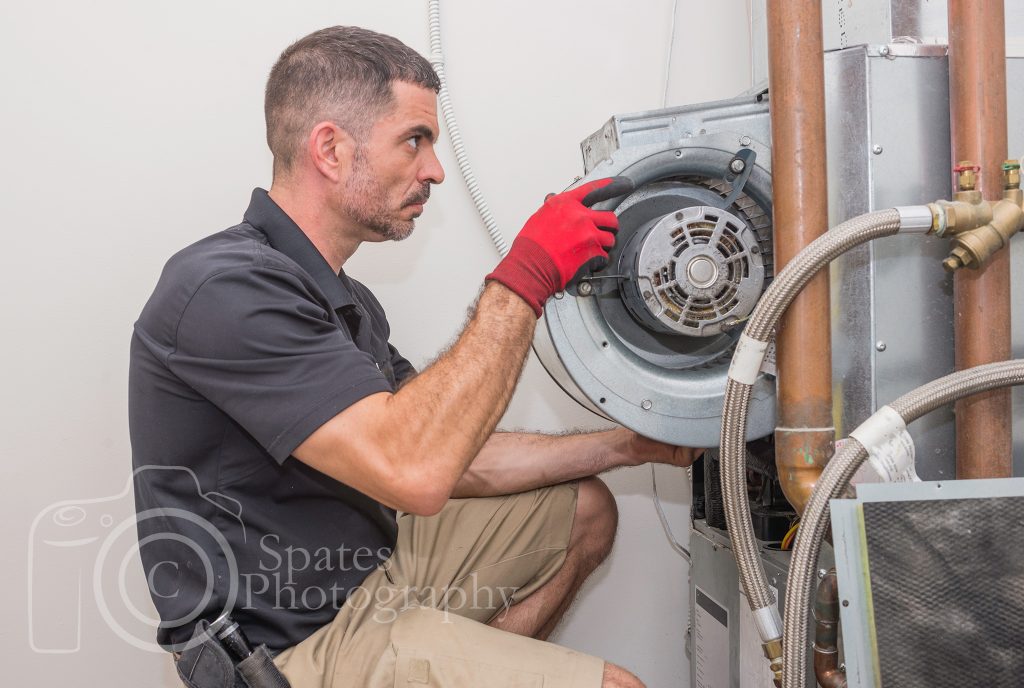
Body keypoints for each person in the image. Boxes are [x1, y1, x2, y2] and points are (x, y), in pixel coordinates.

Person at [129, 25, 699, 688]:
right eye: (414, 140)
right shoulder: (224, 290)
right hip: (292, 649)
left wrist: (627, 446)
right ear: (331, 151)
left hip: (370, 577)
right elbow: (417, 471)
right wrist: (527, 274)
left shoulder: (345, 299)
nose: (434, 169)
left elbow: (462, 462)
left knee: (585, 508)